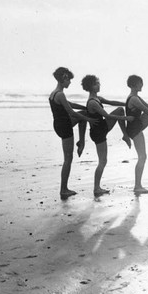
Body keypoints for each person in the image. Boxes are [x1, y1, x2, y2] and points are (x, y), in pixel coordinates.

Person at [81, 75, 134, 196]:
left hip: (102, 127)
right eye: (96, 84)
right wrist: (126, 118)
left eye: (98, 83)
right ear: (90, 87)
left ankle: (125, 135)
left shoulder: (97, 98)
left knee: (120, 109)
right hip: (98, 132)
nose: (99, 85)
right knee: (103, 161)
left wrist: (128, 104)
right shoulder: (92, 102)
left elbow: (111, 102)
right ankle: (96, 188)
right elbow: (107, 116)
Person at [49, 67, 97, 198]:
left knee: (83, 114)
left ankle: (81, 142)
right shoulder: (60, 94)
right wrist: (89, 119)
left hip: (59, 124)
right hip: (65, 126)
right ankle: (63, 189)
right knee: (68, 158)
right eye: (69, 80)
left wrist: (83, 108)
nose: (70, 83)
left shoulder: (54, 93)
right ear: (64, 78)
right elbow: (71, 112)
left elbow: (69, 104)